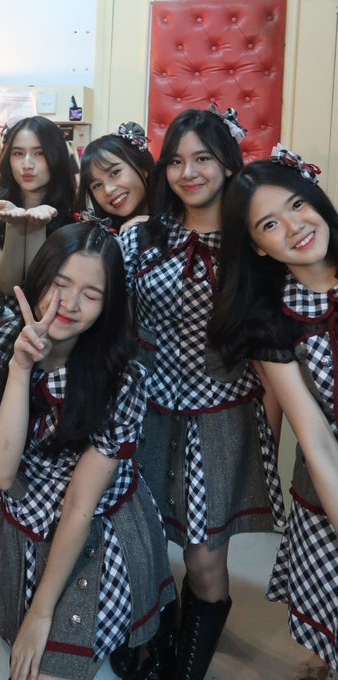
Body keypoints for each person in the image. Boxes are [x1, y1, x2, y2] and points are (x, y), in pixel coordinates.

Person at [0, 221, 175, 680]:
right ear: (39, 278)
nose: (69, 304)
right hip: (23, 521)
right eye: (59, 284)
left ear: (109, 306)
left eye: (91, 295)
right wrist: (21, 369)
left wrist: (42, 613)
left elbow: (80, 505)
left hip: (95, 530)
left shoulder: (122, 378)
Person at [117, 107, 285, 680]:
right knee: (140, 539)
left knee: (206, 560)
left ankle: (183, 669)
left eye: (203, 158)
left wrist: (269, 435)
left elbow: (275, 353)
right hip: (144, 412)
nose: (188, 172)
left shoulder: (256, 245)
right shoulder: (141, 237)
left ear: (228, 163)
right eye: (176, 161)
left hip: (221, 418)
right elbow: (114, 321)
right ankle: (151, 644)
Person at [208, 146, 338, 676]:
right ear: (258, 247)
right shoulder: (272, 320)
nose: (294, 227)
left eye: (297, 205)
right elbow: (316, 439)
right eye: (269, 224)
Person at [0, 115, 76, 296]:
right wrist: (14, 223)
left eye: (39, 153)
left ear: (56, 156)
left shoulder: (76, 214)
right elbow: (8, 286)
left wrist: (37, 225)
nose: (27, 164)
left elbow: (38, 289)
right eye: (18, 153)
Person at [77, 121, 155, 234]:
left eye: (115, 173)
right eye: (97, 185)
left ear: (143, 168)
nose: (108, 190)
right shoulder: (100, 238)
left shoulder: (177, 225)